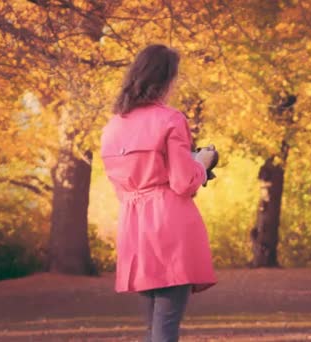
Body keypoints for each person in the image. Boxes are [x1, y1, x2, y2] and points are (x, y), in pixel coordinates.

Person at [100, 44, 217, 342]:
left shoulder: (113, 126)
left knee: (155, 322)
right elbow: (183, 182)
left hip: (134, 227)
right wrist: (202, 162)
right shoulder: (170, 119)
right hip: (169, 225)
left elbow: (124, 183)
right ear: (165, 79)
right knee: (166, 324)